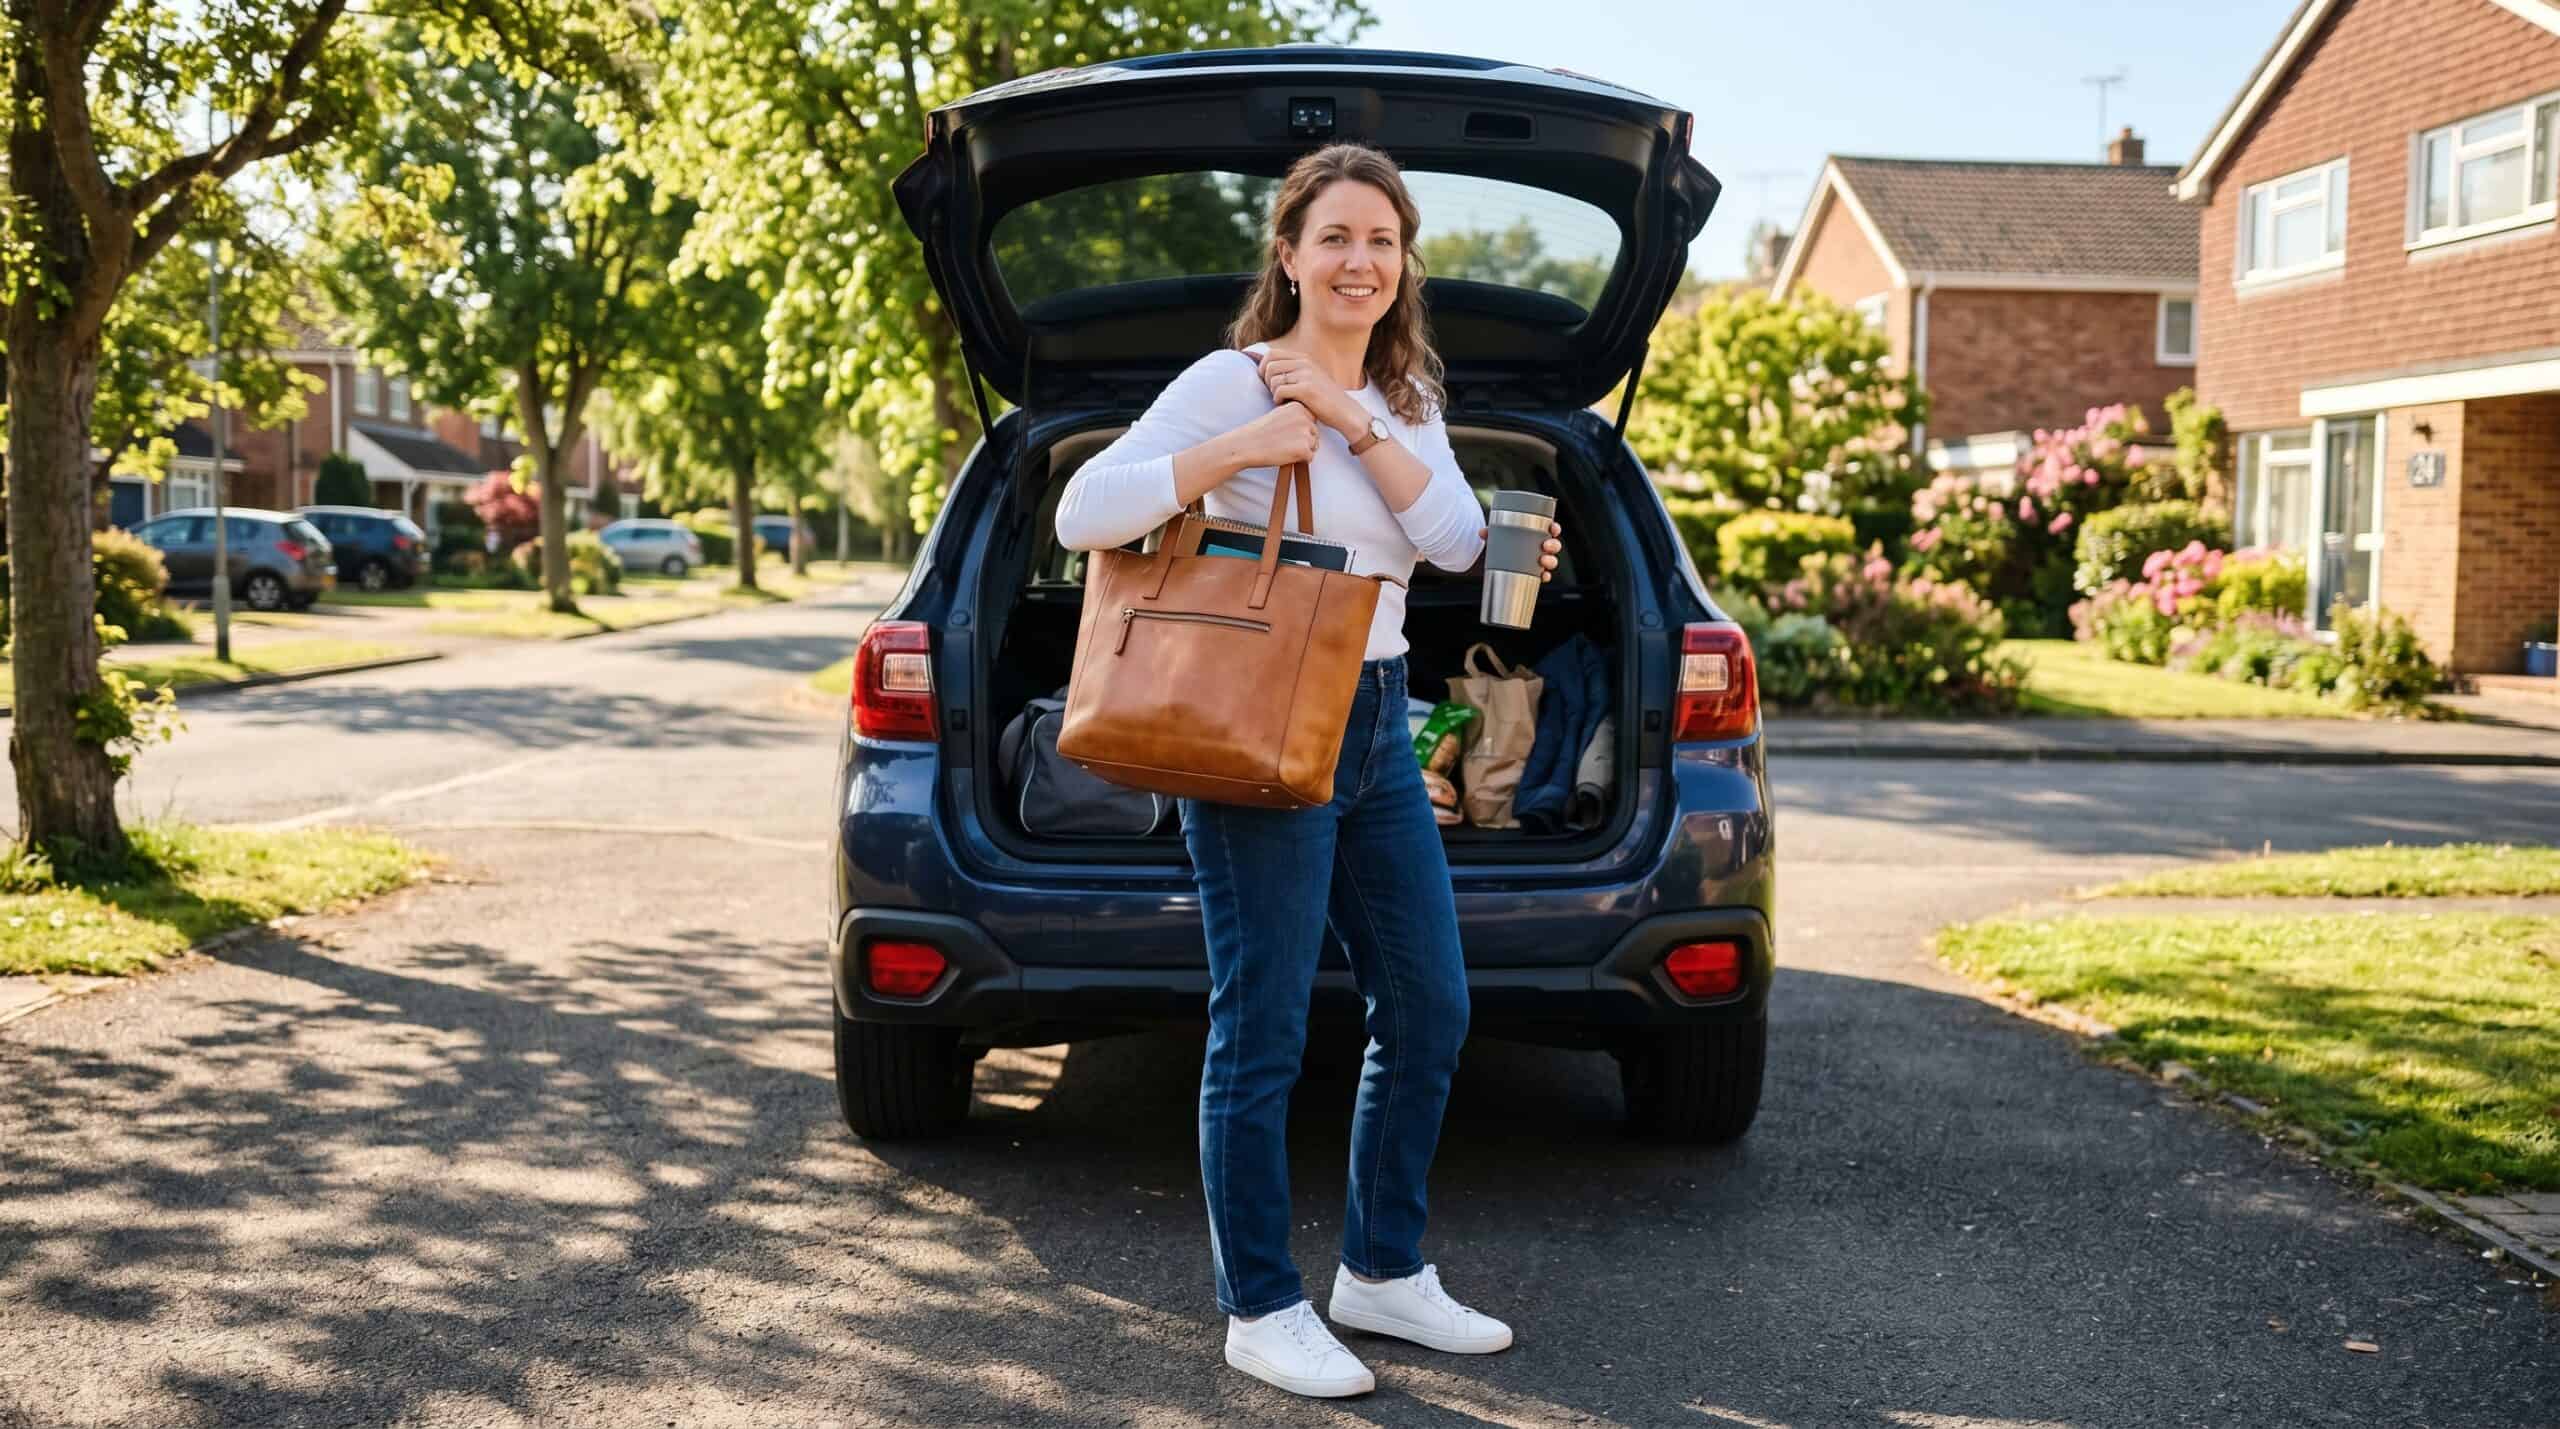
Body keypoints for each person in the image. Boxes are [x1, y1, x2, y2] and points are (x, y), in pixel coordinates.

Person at [1051, 142, 1564, 1399]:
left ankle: (1381, 1272)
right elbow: (1080, 514)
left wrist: (1346, 417)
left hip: (1376, 719)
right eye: (1334, 236)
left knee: (1429, 1003)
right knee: (1265, 1022)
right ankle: (1259, 1303)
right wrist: (1241, 448)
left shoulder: (1411, 400)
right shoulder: (1231, 378)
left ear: (1404, 264)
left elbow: (1448, 541)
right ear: (1287, 253)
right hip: (1254, 720)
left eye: (1381, 241)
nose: (1359, 261)